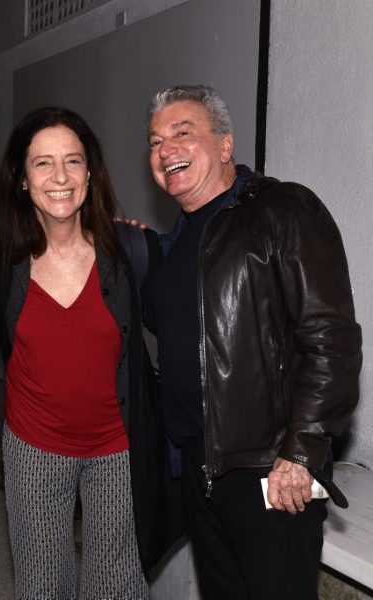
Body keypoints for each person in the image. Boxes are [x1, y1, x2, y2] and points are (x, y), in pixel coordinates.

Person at [144, 84, 362, 599]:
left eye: (182, 133)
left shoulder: (283, 209)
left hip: (271, 468)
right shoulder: (174, 244)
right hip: (201, 465)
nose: (165, 149)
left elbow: (332, 340)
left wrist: (302, 452)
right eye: (154, 142)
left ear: (224, 145)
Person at [0, 106, 179, 599]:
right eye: (43, 163)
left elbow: (186, 323)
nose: (60, 177)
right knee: (44, 585)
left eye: (73, 161)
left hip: (116, 448)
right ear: (23, 180)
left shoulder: (132, 252)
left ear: (90, 173)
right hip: (33, 446)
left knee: (118, 587)